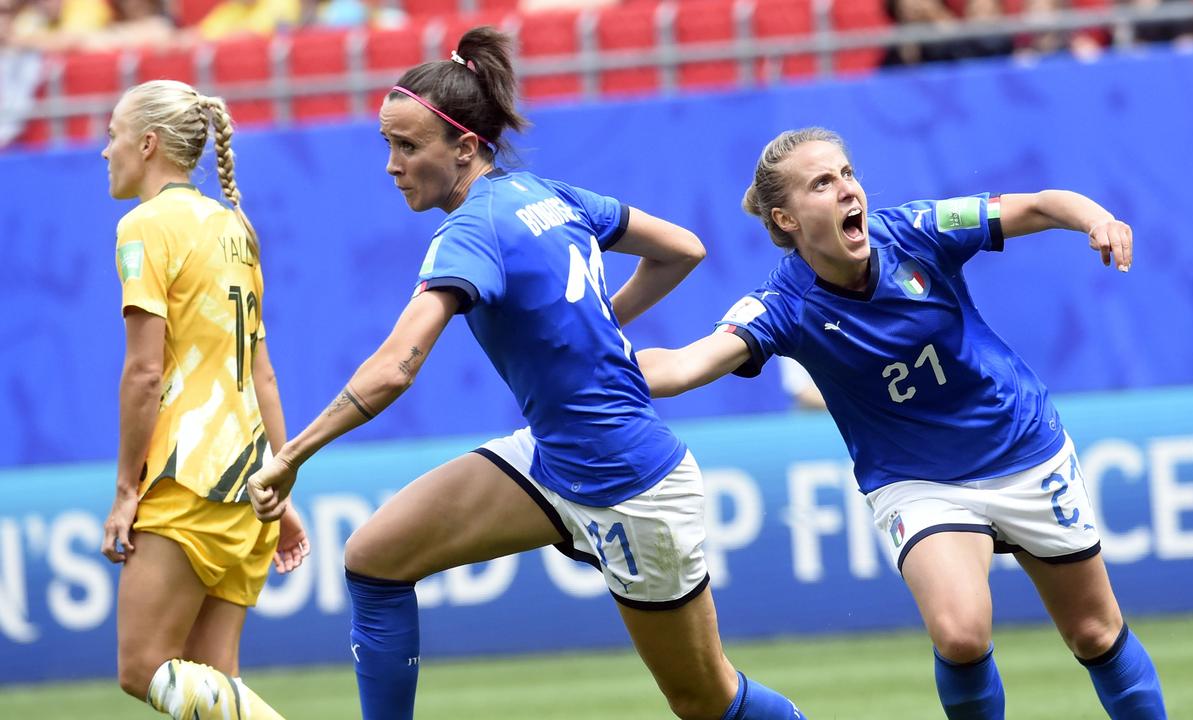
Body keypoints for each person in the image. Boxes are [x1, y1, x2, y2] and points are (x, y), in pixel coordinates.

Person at [246, 25, 807, 720]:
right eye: (387, 144)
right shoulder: (546, 194)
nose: (391, 164)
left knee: (706, 700)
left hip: (627, 482)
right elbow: (682, 249)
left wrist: (292, 456)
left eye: (408, 146)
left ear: (466, 147)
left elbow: (396, 366)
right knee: (375, 560)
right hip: (556, 458)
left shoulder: (472, 230)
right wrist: (598, 333)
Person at [636, 127, 1167, 720]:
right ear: (785, 219)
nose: (845, 190)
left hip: (1020, 444)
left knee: (1095, 633)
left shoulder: (917, 230)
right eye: (822, 183)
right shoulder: (781, 306)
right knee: (961, 636)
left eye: (846, 174)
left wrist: (1098, 220)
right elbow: (686, 364)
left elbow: (1040, 205)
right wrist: (594, 370)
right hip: (916, 480)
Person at [99, 79, 310, 720]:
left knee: (142, 670)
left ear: (148, 142)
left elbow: (143, 373)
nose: (104, 151)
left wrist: (126, 491)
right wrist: (281, 485)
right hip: (249, 482)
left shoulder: (142, 227)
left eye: (112, 136)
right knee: (213, 685)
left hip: (186, 478)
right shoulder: (235, 226)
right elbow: (263, 374)